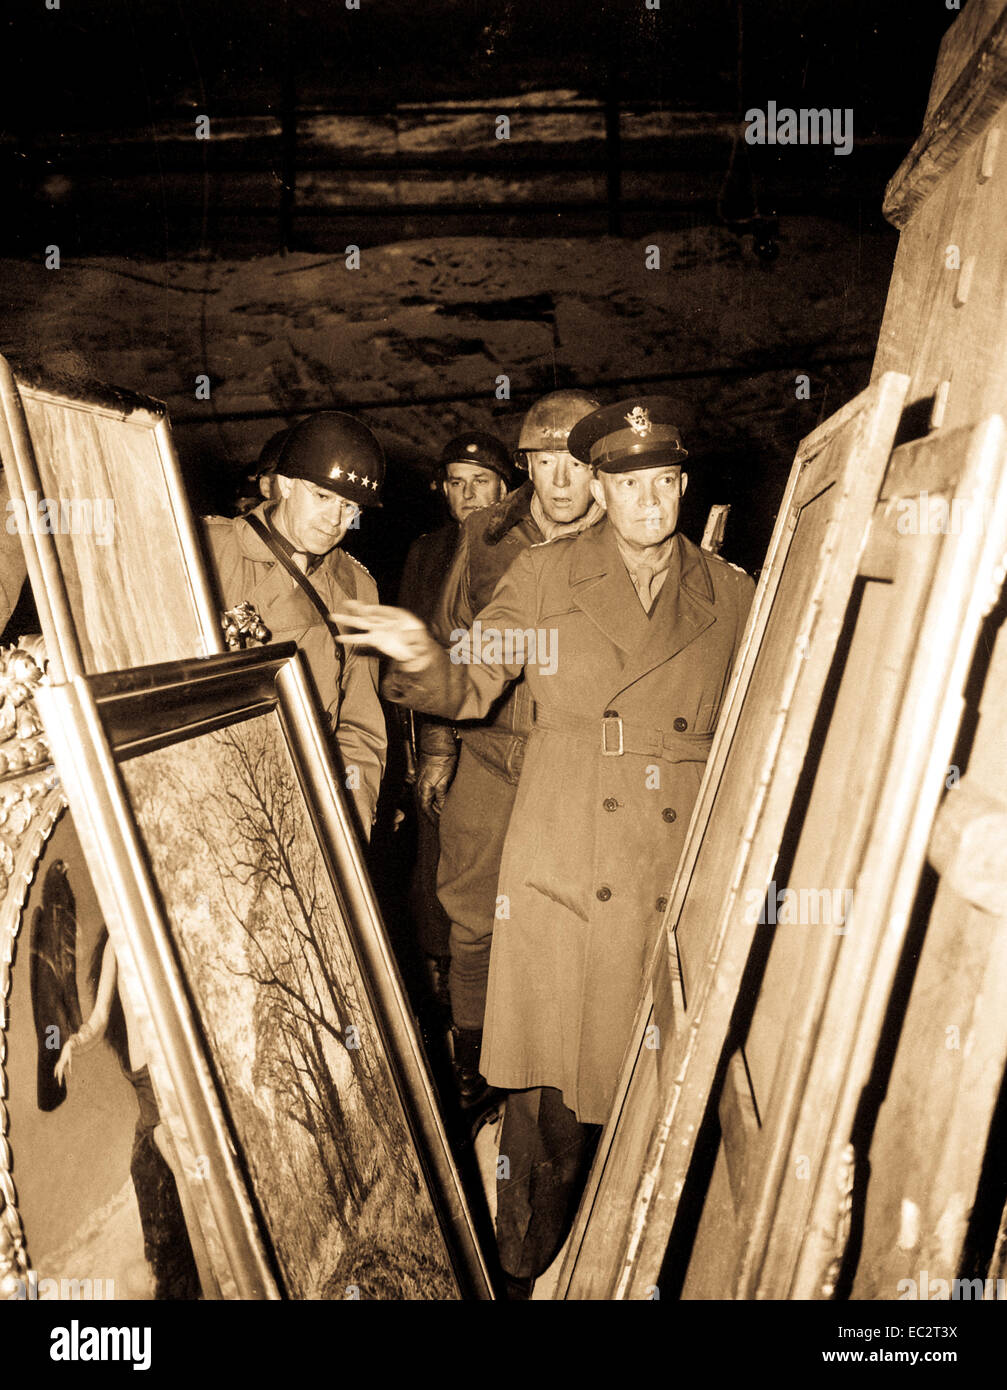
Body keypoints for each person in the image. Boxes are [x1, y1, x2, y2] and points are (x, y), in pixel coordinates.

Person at [333, 396, 755, 1295]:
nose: (650, 501)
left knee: (659, 1104)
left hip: (671, 877)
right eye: (629, 484)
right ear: (599, 490)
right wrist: (417, 653)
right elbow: (471, 680)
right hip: (565, 866)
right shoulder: (545, 578)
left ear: (682, 485)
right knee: (548, 1118)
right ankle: (521, 1272)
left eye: (665, 482)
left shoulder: (732, 592)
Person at [416, 390, 604, 1111]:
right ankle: (473, 1064)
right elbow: (445, 640)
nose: (558, 482)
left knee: (572, 916)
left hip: (575, 763)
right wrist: (438, 747)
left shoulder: (626, 531)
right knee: (471, 920)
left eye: (575, 463)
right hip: (490, 754)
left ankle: (556, 1074)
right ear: (524, 462)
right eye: (543, 461)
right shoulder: (486, 533)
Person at [203, 411, 387, 841]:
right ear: (284, 484)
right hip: (214, 788)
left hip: (305, 801)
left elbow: (360, 726)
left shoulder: (357, 587)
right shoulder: (210, 549)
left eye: (349, 507)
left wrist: (350, 822)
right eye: (322, 497)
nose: (335, 520)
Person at [396, 430, 514, 1004]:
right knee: (436, 857)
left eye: (481, 483)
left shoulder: (525, 548)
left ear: (505, 488)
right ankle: (444, 992)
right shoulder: (426, 553)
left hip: (504, 731)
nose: (468, 496)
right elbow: (418, 652)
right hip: (442, 727)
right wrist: (432, 747)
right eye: (457, 484)